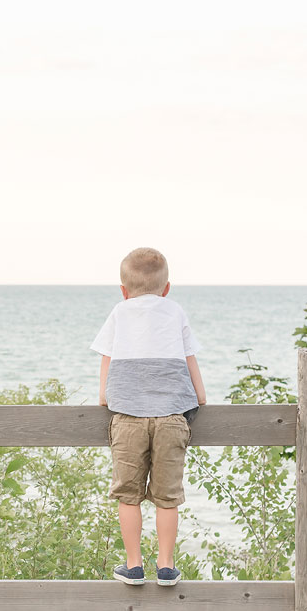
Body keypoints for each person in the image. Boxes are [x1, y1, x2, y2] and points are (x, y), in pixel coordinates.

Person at [91, 247, 206, 587]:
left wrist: (103, 394)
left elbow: (107, 358)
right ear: (166, 287)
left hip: (127, 416)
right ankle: (167, 566)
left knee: (128, 493)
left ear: (123, 290)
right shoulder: (175, 311)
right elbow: (189, 358)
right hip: (172, 416)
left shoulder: (119, 312)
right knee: (167, 497)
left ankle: (134, 564)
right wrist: (200, 395)